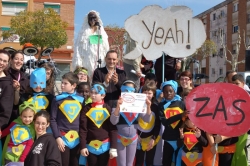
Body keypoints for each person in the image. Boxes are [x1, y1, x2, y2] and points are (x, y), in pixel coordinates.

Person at [110, 80, 152, 166]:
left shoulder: (139, 104)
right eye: (126, 90)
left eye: (131, 90)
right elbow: (113, 121)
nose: (128, 93)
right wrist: (118, 107)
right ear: (122, 90)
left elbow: (147, 119)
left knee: (130, 164)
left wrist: (148, 106)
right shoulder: (116, 102)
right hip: (120, 138)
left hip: (133, 139)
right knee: (121, 164)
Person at [50, 72, 84, 166]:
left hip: (77, 139)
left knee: (75, 163)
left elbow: (83, 121)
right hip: (62, 138)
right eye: (62, 82)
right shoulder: (57, 99)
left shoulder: (81, 100)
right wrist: (57, 137)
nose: (62, 85)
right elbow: (52, 119)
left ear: (73, 85)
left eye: (65, 83)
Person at [79, 83, 117, 166]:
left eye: (96, 93)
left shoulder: (107, 108)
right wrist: (83, 146)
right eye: (91, 92)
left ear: (103, 95)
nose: (93, 95)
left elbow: (112, 129)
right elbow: (83, 129)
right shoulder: (86, 109)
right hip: (90, 146)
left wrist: (113, 147)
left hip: (105, 146)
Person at [158, 80, 187, 166]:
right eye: (166, 91)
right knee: (166, 161)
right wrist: (180, 115)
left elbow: (186, 120)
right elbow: (165, 122)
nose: (168, 93)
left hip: (180, 138)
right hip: (168, 139)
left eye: (171, 91)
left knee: (179, 161)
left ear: (175, 91)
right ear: (163, 92)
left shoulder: (181, 104)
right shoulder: (161, 105)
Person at [73, 10, 109, 77]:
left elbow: (105, 48)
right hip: (86, 62)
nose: (92, 20)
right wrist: (78, 63)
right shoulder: (83, 32)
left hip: (100, 62)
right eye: (90, 18)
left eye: (94, 18)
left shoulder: (101, 31)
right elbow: (78, 48)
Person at [135, 81, 161, 166]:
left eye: (149, 93)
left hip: (150, 139)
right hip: (138, 138)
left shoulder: (156, 107)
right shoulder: (137, 105)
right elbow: (134, 120)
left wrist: (153, 138)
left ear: (153, 94)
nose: (146, 95)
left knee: (149, 161)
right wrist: (136, 134)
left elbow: (157, 125)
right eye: (145, 92)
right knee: (138, 162)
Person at [8, 51, 30, 121]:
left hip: (20, 116)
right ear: (11, 60)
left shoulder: (25, 78)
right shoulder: (5, 75)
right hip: (5, 114)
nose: (19, 61)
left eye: (21, 60)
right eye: (16, 59)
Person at [0, 49, 14, 130]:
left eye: (4, 61)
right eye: (0, 59)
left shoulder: (7, 84)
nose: (1, 63)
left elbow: (5, 111)